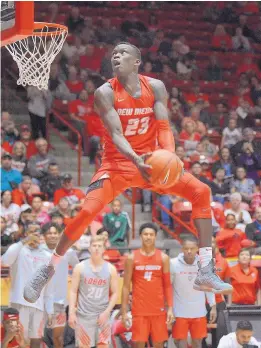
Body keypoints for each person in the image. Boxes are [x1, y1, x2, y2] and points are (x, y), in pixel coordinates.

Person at [24, 41, 232, 303]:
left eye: (123, 53)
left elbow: (164, 126)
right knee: (87, 212)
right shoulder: (105, 92)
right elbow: (116, 134)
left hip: (152, 164)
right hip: (117, 165)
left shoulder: (155, 87)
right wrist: (136, 159)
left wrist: (169, 155)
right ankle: (48, 268)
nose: (116, 56)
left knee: (201, 191)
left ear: (137, 61)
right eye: (113, 54)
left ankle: (205, 269)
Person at [121, 222, 174, 347]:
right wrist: (123, 312)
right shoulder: (131, 258)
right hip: (139, 310)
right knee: (139, 344)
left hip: (158, 309)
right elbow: (125, 286)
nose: (148, 237)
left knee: (159, 344)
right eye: (145, 234)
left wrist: (170, 308)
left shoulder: (163, 258)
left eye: (151, 234)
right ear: (140, 236)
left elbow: (167, 285)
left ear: (155, 236)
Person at [1, 229, 54, 348]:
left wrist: (49, 310)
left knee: (36, 341)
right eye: (32, 233)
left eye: (37, 233)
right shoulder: (19, 250)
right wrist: (24, 241)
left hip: (38, 306)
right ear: (26, 234)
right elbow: (5, 261)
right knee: (18, 340)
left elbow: (49, 285)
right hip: (19, 302)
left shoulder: (47, 256)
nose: (34, 236)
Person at [68, 235, 118, 348]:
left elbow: (115, 293)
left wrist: (107, 312)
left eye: (99, 246)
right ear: (89, 248)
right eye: (94, 245)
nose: (96, 248)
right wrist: (71, 313)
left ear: (104, 249)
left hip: (102, 316)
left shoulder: (111, 269)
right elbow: (73, 291)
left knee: (103, 346)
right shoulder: (80, 267)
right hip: (84, 316)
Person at [170, 236, 217, 348]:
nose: (189, 251)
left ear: (197, 249)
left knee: (197, 342)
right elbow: (168, 287)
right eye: (186, 248)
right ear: (182, 249)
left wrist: (213, 306)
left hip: (199, 312)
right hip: (179, 311)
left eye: (192, 248)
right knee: (180, 343)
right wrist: (169, 308)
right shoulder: (173, 263)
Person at [41, 222, 79, 348]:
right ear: (44, 236)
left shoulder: (68, 251)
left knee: (58, 337)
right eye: (49, 233)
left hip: (59, 302)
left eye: (55, 233)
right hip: (39, 301)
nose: (52, 236)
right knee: (38, 336)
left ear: (59, 235)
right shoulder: (37, 251)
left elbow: (79, 268)